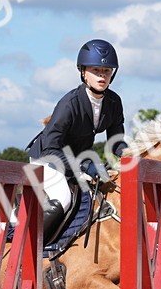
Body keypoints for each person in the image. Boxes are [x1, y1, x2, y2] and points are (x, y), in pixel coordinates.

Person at [26, 39, 126, 241]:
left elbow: (116, 143)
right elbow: (51, 148)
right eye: (96, 70)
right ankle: (28, 250)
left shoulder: (114, 102)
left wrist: (134, 159)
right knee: (62, 198)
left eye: (106, 71)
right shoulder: (69, 104)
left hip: (77, 163)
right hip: (46, 160)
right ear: (83, 72)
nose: (102, 75)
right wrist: (84, 165)